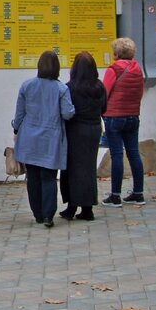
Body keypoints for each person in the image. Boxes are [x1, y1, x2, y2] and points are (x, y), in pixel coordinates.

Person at [11, 50, 76, 227]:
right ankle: (48, 215)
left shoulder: (27, 86)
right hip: (51, 138)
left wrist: (16, 128)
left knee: (32, 177)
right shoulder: (61, 88)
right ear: (57, 68)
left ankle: (37, 214)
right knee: (48, 177)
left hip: (29, 138)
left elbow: (19, 114)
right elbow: (68, 113)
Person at [101, 37, 147, 207]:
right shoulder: (137, 69)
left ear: (117, 53)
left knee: (117, 155)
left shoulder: (113, 70)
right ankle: (138, 193)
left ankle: (115, 196)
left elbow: (104, 92)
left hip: (114, 116)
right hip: (133, 116)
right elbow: (140, 92)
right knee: (134, 153)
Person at [60, 52, 106, 221]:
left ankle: (71, 206)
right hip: (94, 129)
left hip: (75, 130)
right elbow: (104, 109)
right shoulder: (99, 87)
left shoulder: (69, 87)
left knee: (72, 168)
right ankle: (87, 208)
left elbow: (65, 111)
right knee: (88, 168)